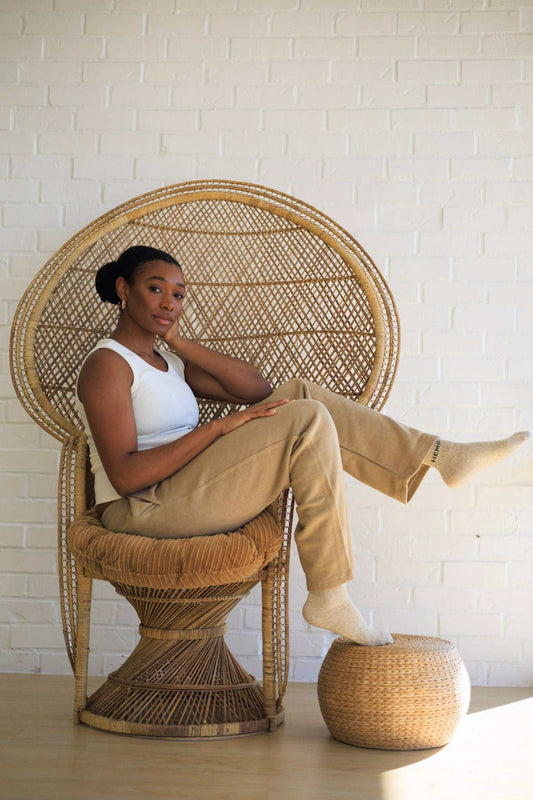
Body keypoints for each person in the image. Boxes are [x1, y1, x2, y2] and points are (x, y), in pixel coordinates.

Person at [76, 246, 529, 647]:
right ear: (124, 289)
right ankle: (330, 593)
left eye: (178, 295)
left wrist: (176, 341)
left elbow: (257, 389)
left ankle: (438, 456)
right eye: (156, 289)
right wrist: (218, 429)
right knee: (305, 417)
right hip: (142, 509)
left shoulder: (167, 362)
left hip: (185, 489)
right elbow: (127, 476)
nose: (169, 303)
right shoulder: (108, 365)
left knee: (299, 393)